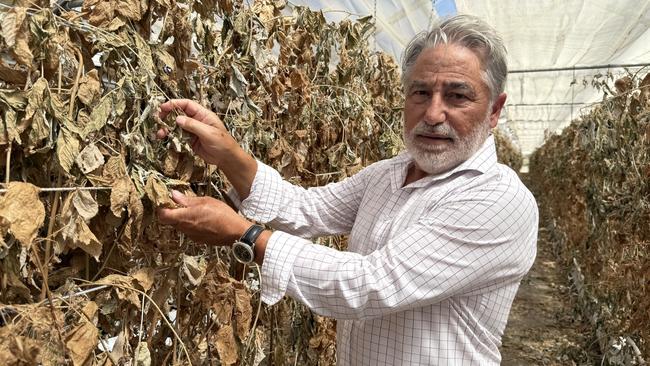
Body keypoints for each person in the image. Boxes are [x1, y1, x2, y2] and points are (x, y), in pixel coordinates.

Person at [157, 14, 538, 366]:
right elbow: (306, 209)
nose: (433, 114)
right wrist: (229, 154)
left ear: (494, 110)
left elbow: (369, 285)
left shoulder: (498, 200)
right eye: (420, 93)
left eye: (457, 96)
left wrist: (244, 234)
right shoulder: (389, 174)